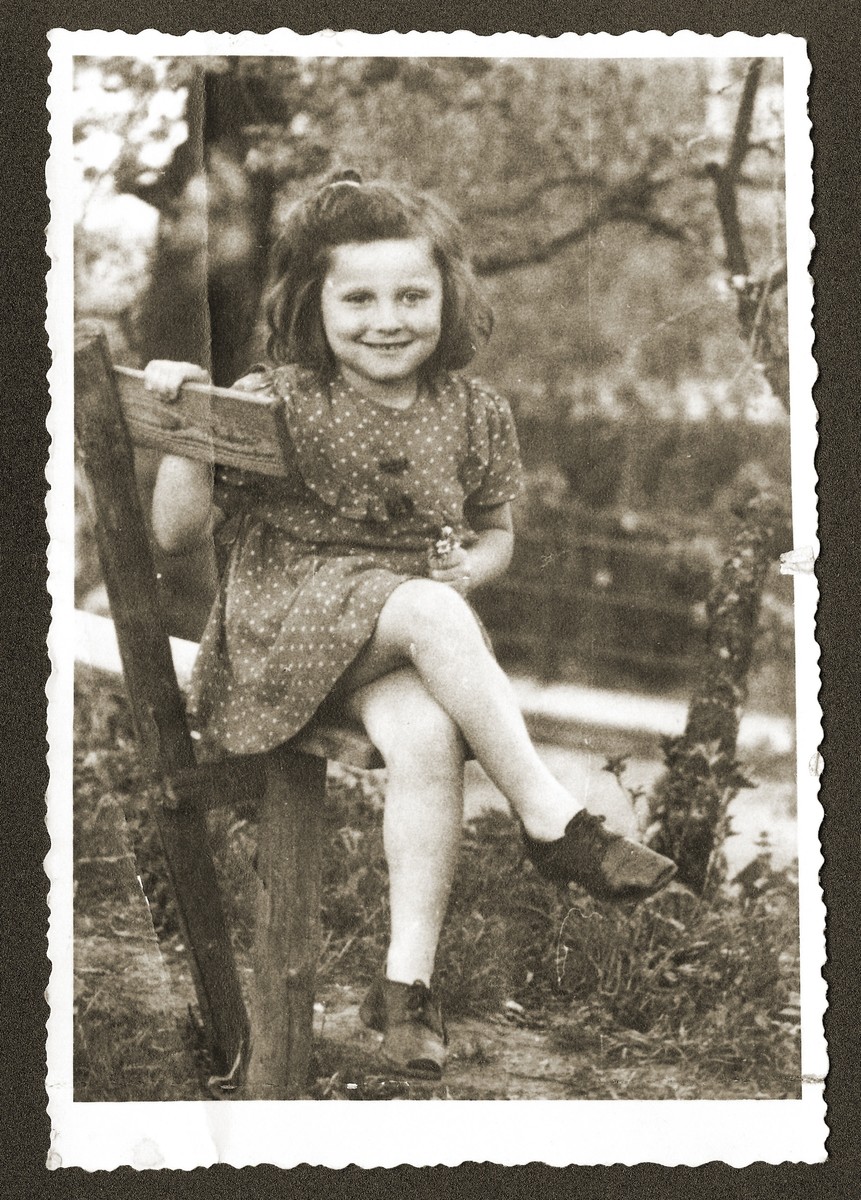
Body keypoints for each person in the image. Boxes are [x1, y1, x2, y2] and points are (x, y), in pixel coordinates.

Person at [146, 170, 676, 1081]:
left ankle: (404, 990)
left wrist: (471, 565)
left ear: (448, 299)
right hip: (282, 634)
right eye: (357, 298)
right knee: (431, 608)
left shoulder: (472, 410)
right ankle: (552, 820)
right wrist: (187, 425)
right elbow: (175, 534)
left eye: (411, 296)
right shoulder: (276, 396)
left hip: (385, 637)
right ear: (312, 306)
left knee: (430, 731)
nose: (385, 319)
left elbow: (495, 535)